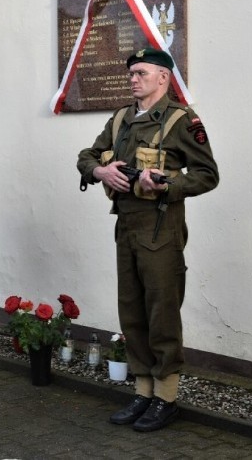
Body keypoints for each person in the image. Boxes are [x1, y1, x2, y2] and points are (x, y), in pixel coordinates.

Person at [77, 47, 219, 432]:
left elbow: (207, 174)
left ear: (163, 78)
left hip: (161, 229)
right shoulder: (123, 117)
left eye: (141, 72)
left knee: (162, 312)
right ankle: (142, 391)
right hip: (126, 226)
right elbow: (86, 155)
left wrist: (163, 182)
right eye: (131, 73)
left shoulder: (180, 121)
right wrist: (100, 171)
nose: (133, 78)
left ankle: (166, 397)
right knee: (133, 310)